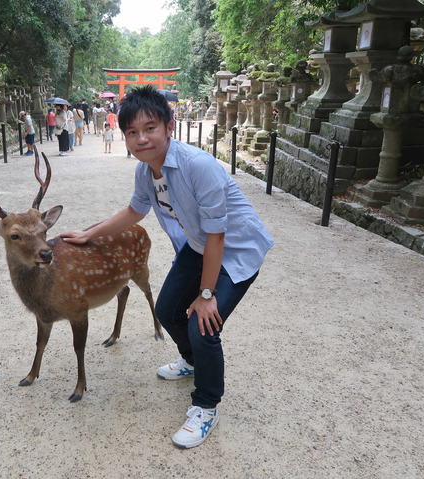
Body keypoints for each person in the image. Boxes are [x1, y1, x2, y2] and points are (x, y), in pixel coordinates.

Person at [60, 86, 274, 449]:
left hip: (235, 251)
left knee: (202, 324)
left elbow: (218, 235)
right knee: (167, 309)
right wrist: (88, 233)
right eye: (131, 132)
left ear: (169, 127)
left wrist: (206, 295)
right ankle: (191, 362)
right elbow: (134, 212)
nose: (141, 138)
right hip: (198, 246)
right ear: (123, 135)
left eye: (150, 128)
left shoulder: (198, 166)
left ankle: (206, 405)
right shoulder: (146, 172)